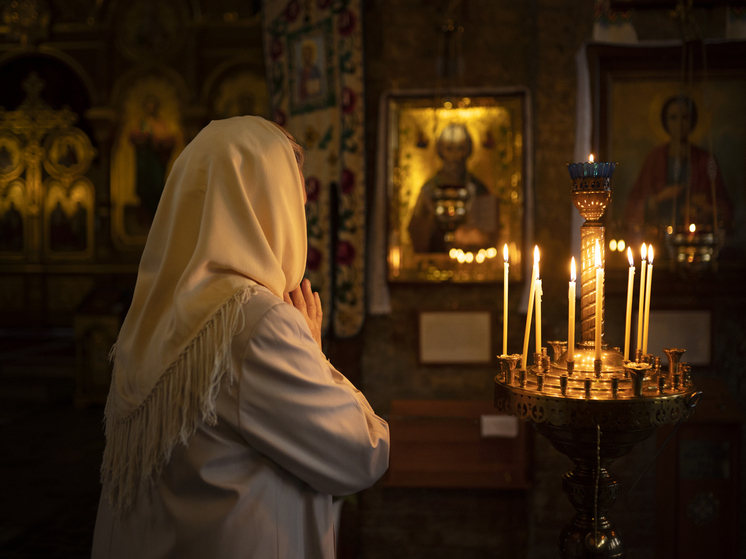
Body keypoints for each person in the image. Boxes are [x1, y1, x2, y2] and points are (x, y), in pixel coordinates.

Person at [92, 116, 389, 559]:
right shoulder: (258, 322)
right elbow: (362, 454)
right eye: (294, 197)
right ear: (271, 204)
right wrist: (313, 350)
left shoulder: (151, 316)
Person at [623, 94, 732, 234]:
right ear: (665, 121)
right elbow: (633, 206)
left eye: (685, 118)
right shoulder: (654, 158)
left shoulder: (705, 159)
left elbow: (724, 206)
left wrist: (709, 210)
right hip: (659, 236)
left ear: (692, 121)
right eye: (673, 118)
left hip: (697, 235)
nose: (679, 124)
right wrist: (658, 198)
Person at [408, 123, 499, 253]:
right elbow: (416, 231)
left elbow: (490, 234)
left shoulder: (479, 189)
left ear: (468, 150)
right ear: (441, 150)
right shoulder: (429, 190)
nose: (456, 156)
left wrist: (474, 234)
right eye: (449, 149)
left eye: (460, 148)